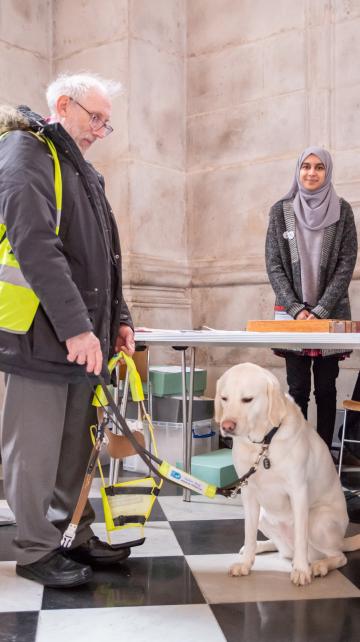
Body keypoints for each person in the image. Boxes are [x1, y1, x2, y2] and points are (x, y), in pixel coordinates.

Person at [0, 73, 135, 588]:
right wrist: (79, 328)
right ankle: (36, 548)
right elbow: (34, 243)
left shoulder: (83, 171)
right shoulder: (26, 150)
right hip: (39, 334)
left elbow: (102, 260)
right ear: (63, 105)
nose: (101, 130)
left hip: (84, 338)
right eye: (94, 118)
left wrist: (117, 320)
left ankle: (71, 534)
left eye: (106, 123)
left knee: (75, 447)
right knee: (35, 448)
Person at [265, 146, 357, 453]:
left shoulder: (342, 211)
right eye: (306, 166)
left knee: (327, 389)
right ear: (298, 170)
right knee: (297, 388)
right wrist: (296, 309)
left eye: (319, 167)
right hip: (292, 317)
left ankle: (323, 457)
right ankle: (298, 454)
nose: (311, 173)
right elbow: (274, 263)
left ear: (327, 172)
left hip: (330, 315)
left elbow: (347, 263)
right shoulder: (281, 210)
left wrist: (319, 311)